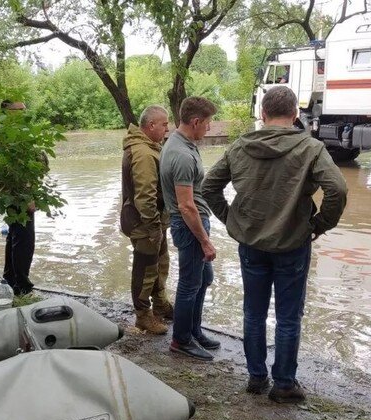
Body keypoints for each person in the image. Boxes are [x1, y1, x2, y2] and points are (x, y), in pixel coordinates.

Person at [202, 86, 347, 402]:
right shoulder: (311, 148)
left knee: (253, 312)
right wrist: (318, 226)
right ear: (296, 115)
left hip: (251, 243)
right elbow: (337, 190)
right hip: (293, 244)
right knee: (288, 316)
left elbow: (208, 187)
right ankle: (283, 384)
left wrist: (232, 220)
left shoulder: (240, 147)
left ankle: (256, 378)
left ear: (263, 115)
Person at [159, 96, 220, 361]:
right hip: (189, 225)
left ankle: (194, 331)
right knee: (189, 284)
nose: (209, 128)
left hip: (192, 223)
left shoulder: (181, 142)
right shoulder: (182, 155)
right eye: (207, 124)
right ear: (195, 121)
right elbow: (186, 206)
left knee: (204, 279)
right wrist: (205, 240)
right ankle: (181, 340)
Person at [121, 105, 174, 335]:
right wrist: (153, 227)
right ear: (151, 126)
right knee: (145, 269)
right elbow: (145, 195)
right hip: (144, 223)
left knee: (160, 262)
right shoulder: (143, 153)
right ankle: (143, 316)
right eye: (164, 124)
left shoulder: (149, 147)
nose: (167, 128)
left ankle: (161, 304)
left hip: (153, 221)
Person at [0, 99, 43, 296]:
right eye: (20, 110)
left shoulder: (11, 133)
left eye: (25, 108)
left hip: (12, 195)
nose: (25, 112)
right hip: (18, 196)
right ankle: (21, 286)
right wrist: (28, 198)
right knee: (24, 240)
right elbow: (15, 172)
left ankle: (9, 279)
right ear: (7, 111)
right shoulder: (10, 137)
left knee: (14, 236)